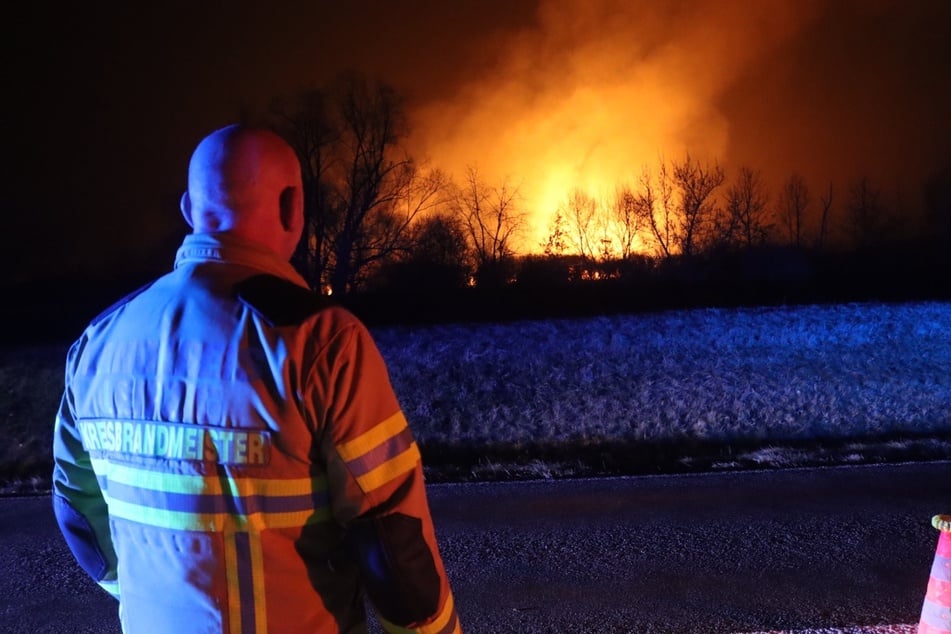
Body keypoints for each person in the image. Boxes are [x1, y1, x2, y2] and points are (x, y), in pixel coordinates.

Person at [52, 124, 461, 634]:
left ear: (188, 210)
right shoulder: (320, 341)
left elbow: (77, 512)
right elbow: (391, 544)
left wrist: (148, 590)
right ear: (293, 207)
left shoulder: (98, 341)